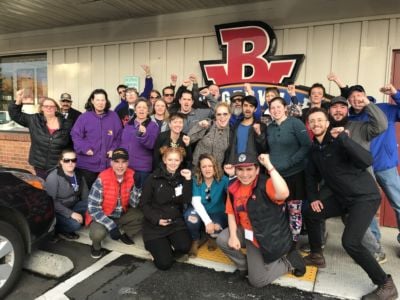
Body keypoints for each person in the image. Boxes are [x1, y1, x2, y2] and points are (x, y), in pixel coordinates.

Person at [304, 107, 397, 300]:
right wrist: (313, 198)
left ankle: (385, 284)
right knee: (310, 211)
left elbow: (366, 160)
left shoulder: (340, 141)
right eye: (312, 121)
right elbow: (311, 177)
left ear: (328, 123)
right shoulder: (314, 150)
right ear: (309, 125)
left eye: (320, 120)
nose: (316, 124)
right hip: (343, 198)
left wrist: (345, 140)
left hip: (364, 197)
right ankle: (316, 255)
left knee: (350, 242)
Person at [329, 73, 400, 246]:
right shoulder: (348, 119)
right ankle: (373, 241)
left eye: (359, 96)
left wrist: (396, 94)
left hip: (385, 165)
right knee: (367, 206)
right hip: (363, 168)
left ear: (365, 96)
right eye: (352, 97)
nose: (356, 99)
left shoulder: (384, 109)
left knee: (398, 202)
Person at [216, 153, 305, 287]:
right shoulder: (233, 187)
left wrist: (269, 165)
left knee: (257, 281)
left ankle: (290, 262)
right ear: (235, 170)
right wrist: (233, 236)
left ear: (257, 170)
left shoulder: (266, 183)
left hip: (266, 236)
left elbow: (284, 193)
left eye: (249, 169)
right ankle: (244, 267)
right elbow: (231, 213)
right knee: (223, 239)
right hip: (248, 233)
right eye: (240, 169)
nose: (245, 174)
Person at [267, 96, 311, 245]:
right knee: (278, 210)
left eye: (278, 107)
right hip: (276, 177)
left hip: (294, 175)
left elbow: (306, 146)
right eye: (272, 108)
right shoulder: (270, 128)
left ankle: (293, 242)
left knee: (294, 210)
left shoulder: (295, 123)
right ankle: (280, 239)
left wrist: (289, 162)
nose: (276, 110)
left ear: (285, 108)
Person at [141, 146, 192, 270]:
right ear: (164, 160)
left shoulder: (181, 177)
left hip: (174, 222)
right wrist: (157, 219)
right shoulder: (152, 179)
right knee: (164, 264)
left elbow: (186, 200)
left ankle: (166, 246)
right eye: (170, 160)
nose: (173, 163)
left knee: (185, 247)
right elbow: (144, 204)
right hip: (155, 225)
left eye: (176, 160)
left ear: (180, 161)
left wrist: (188, 180)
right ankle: (155, 248)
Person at [86, 148, 144, 259]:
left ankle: (122, 231)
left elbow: (134, 204)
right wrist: (111, 225)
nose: (120, 166)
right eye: (117, 162)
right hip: (104, 215)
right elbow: (93, 208)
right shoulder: (103, 178)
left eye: (123, 162)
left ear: (128, 163)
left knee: (143, 215)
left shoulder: (132, 175)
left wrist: (137, 188)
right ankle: (96, 246)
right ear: (111, 162)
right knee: (97, 234)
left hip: (122, 214)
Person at [9, 90, 73, 179]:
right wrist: (18, 100)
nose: (49, 108)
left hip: (58, 166)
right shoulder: (34, 120)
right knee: (43, 188)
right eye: (46, 106)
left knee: (57, 189)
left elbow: (71, 143)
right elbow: (15, 115)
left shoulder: (67, 124)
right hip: (39, 165)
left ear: (56, 108)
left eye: (51, 106)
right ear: (42, 108)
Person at [71, 89, 122, 189]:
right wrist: (85, 148)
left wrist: (114, 149)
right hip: (87, 165)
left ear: (106, 101)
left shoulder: (113, 116)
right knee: (88, 195)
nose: (100, 103)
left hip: (107, 165)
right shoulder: (84, 117)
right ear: (92, 101)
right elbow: (75, 135)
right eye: (97, 100)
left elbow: (119, 136)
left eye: (103, 100)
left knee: (106, 194)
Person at [184, 154, 229, 257]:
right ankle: (196, 239)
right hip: (199, 211)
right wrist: (208, 222)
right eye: (204, 166)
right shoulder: (196, 180)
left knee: (217, 229)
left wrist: (233, 175)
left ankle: (211, 237)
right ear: (200, 168)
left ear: (215, 167)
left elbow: (235, 192)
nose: (207, 169)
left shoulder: (223, 179)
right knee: (191, 217)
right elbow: (196, 202)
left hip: (216, 212)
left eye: (210, 166)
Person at [45, 149, 88, 239]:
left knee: (91, 204)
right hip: (58, 210)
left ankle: (78, 219)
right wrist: (71, 214)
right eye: (67, 160)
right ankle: (57, 229)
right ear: (61, 162)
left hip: (74, 205)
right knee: (75, 225)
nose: (70, 163)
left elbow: (86, 196)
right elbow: (50, 201)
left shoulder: (79, 174)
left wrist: (90, 212)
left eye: (73, 160)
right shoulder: (54, 177)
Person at [120, 99, 159, 189]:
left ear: (148, 110)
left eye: (144, 107)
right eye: (139, 107)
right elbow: (123, 143)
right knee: (126, 195)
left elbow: (152, 145)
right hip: (126, 166)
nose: (141, 110)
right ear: (135, 110)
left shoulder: (153, 126)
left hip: (142, 168)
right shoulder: (128, 125)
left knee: (140, 196)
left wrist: (144, 135)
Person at [226, 95, 267, 165]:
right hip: (235, 165)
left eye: (251, 106)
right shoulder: (235, 126)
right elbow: (230, 149)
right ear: (242, 107)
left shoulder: (261, 126)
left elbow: (264, 149)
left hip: (253, 167)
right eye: (245, 105)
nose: (248, 108)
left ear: (255, 109)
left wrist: (259, 134)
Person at [188, 102, 231, 168]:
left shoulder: (230, 131)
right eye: (219, 114)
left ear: (229, 115)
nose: (222, 117)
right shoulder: (207, 125)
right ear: (215, 116)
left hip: (216, 172)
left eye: (225, 114)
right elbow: (189, 139)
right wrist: (199, 126)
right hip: (198, 170)